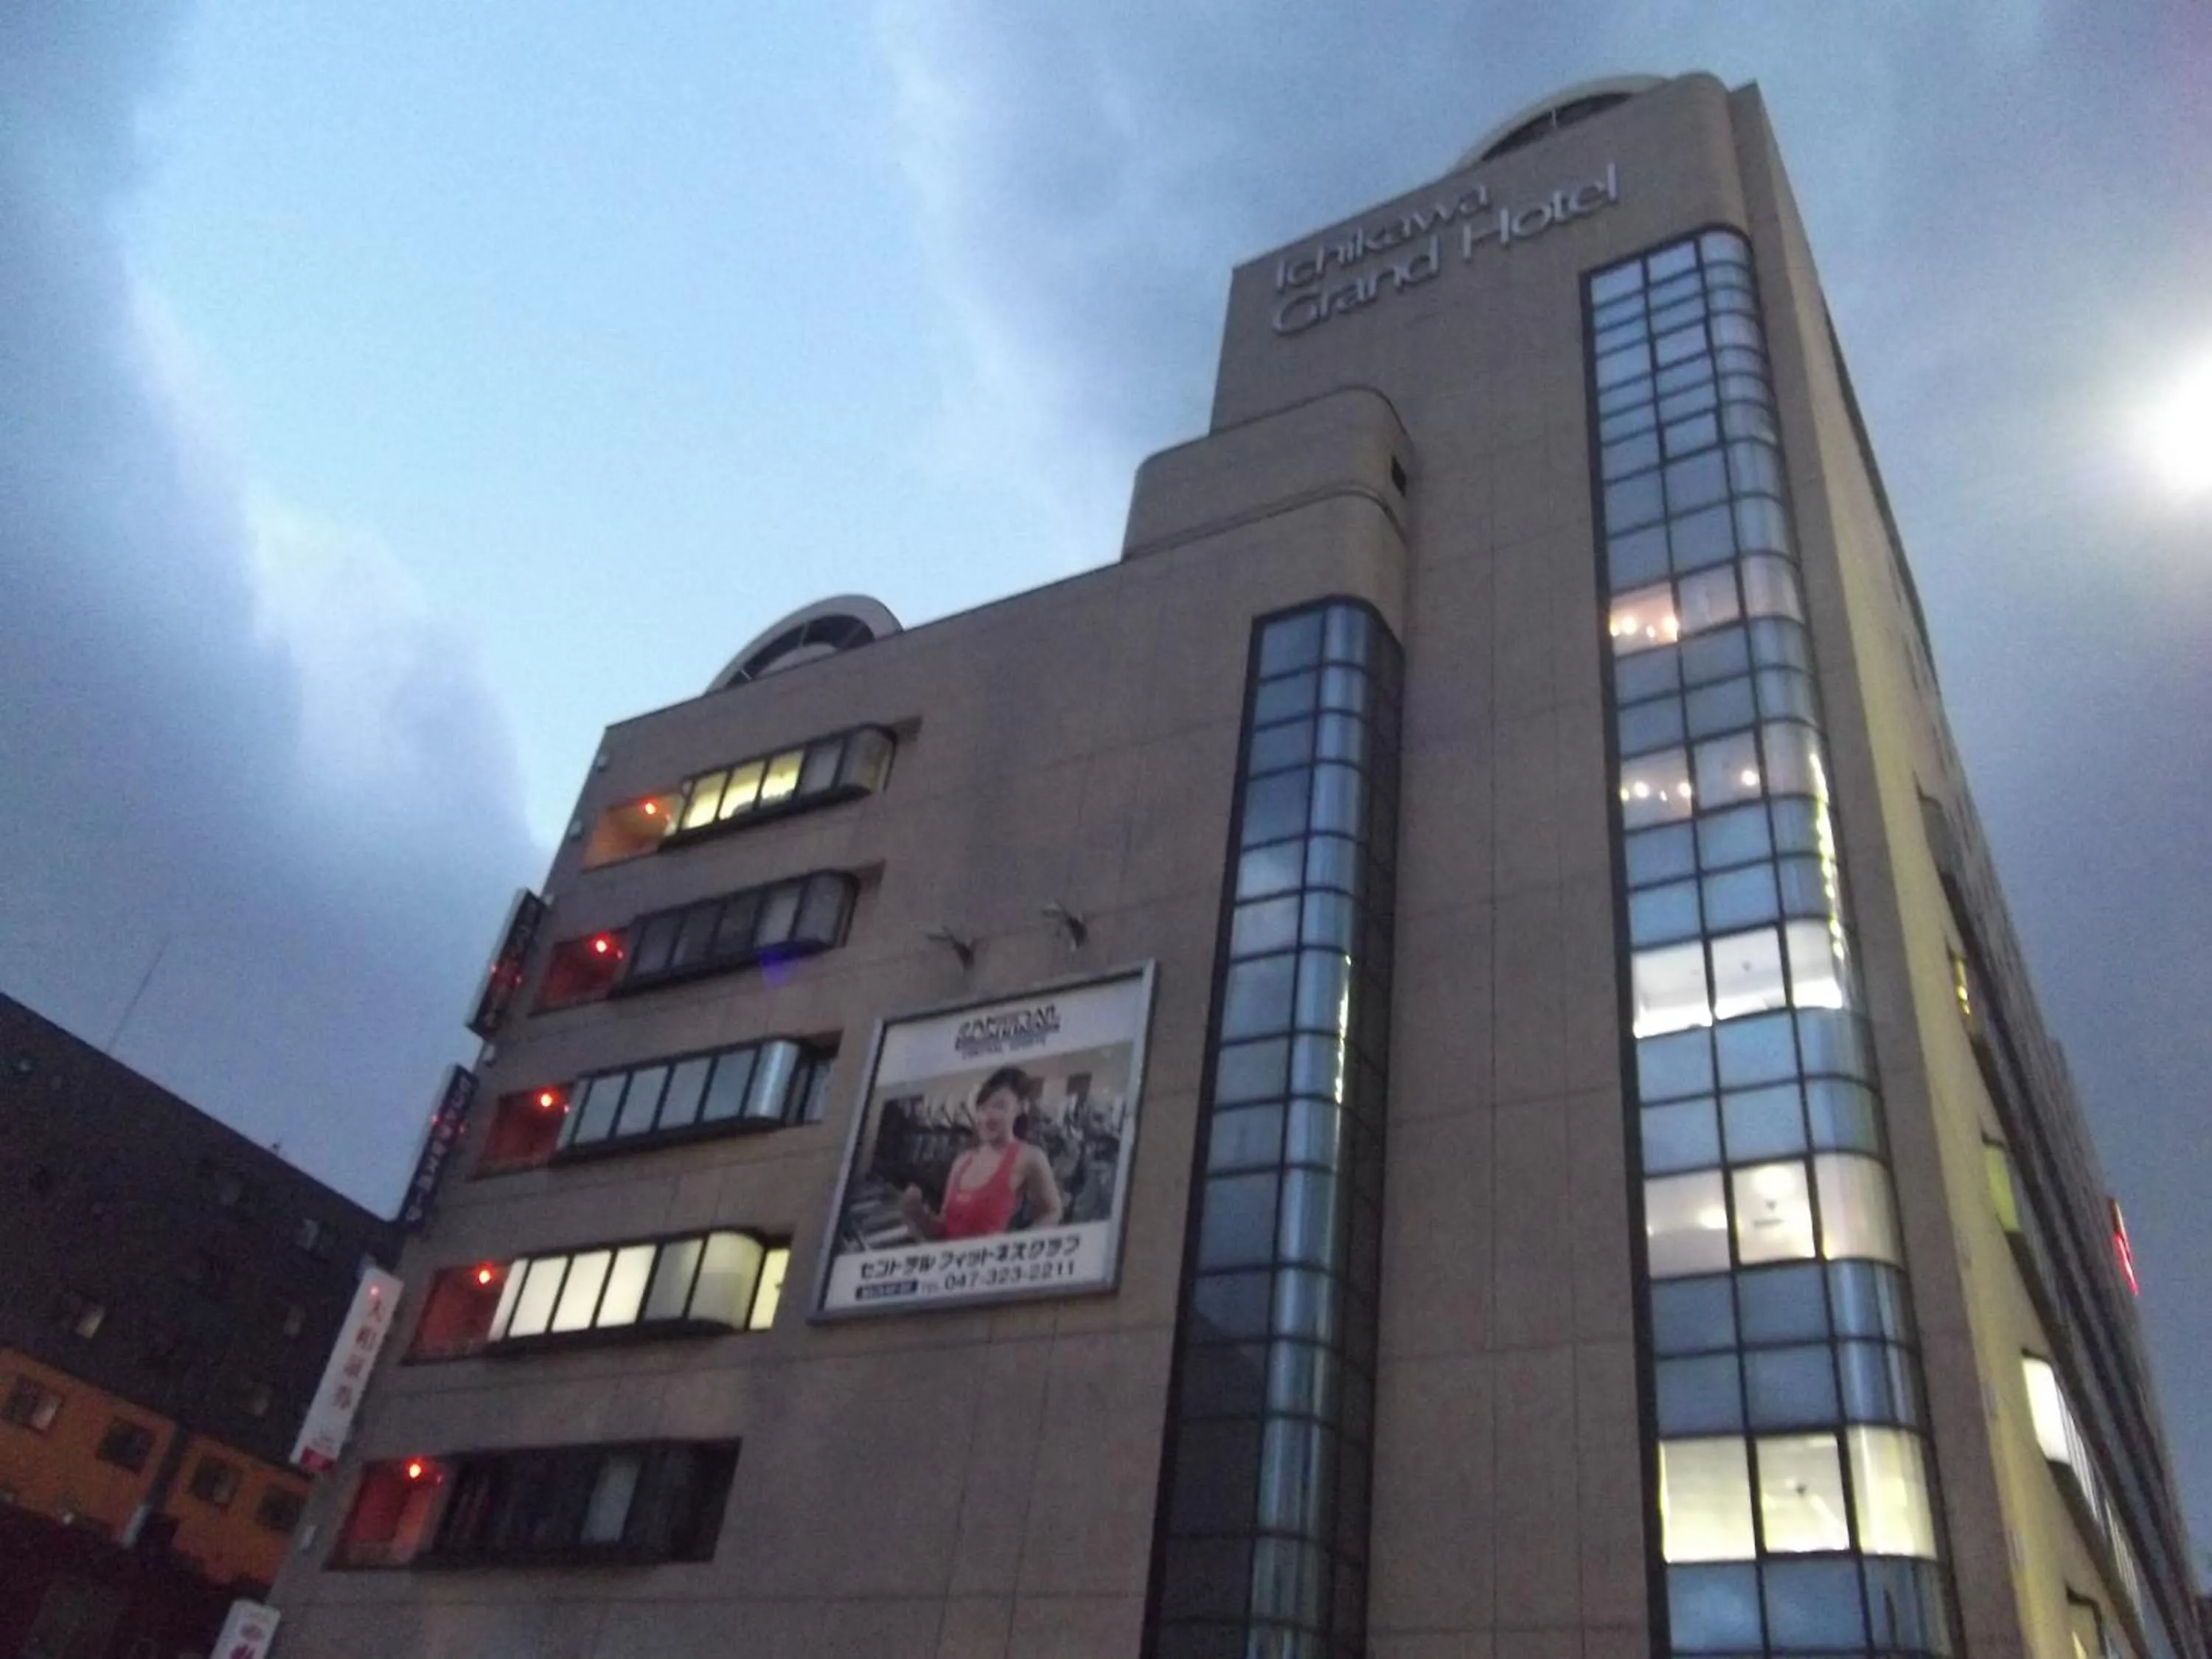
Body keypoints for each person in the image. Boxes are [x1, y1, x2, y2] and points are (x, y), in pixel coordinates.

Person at [899, 1067, 1064, 1240]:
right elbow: (942, 1229)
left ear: (1020, 1108)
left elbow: (1053, 1212)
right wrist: (918, 1215)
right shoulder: (963, 1161)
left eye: (999, 1106)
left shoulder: (1030, 1157)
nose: (987, 1117)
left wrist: (1012, 1248)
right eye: (982, 1108)